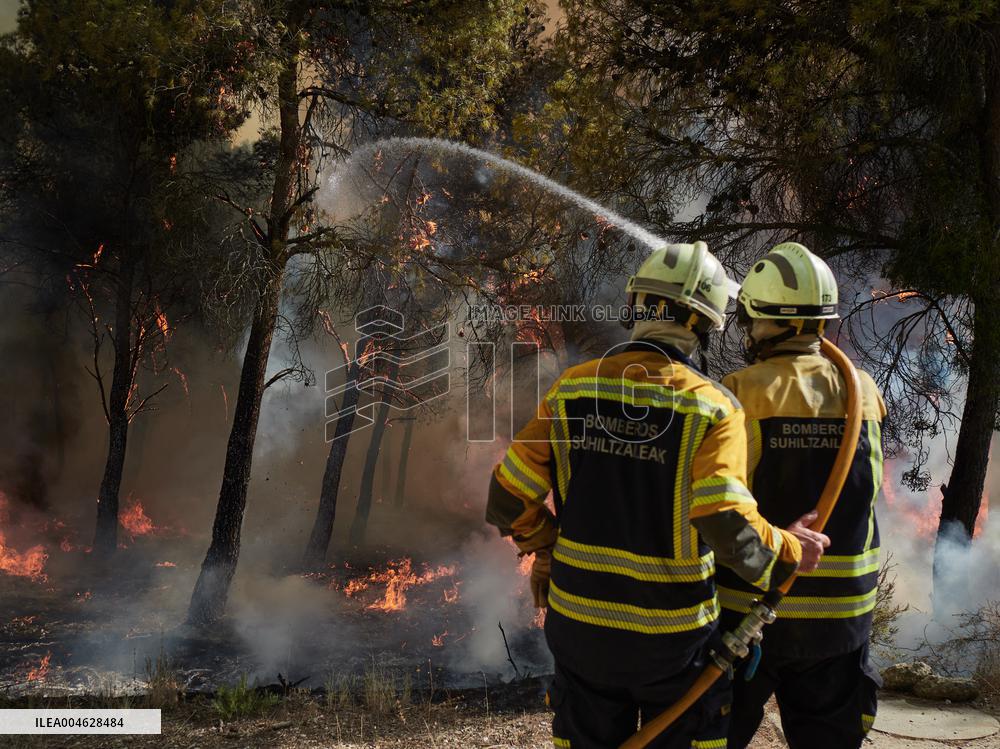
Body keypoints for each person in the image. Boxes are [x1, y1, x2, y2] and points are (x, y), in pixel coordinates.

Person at [485, 241, 830, 749]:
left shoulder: (572, 390)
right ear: (705, 325)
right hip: (673, 644)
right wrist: (789, 549)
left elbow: (507, 497)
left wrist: (545, 546)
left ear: (634, 308)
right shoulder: (714, 409)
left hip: (580, 631)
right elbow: (725, 523)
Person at [719, 242, 886, 749]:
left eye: (750, 318)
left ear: (767, 320)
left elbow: (724, 502)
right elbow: (870, 488)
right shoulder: (864, 391)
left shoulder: (743, 391)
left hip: (754, 612)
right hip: (841, 621)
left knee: (711, 735)